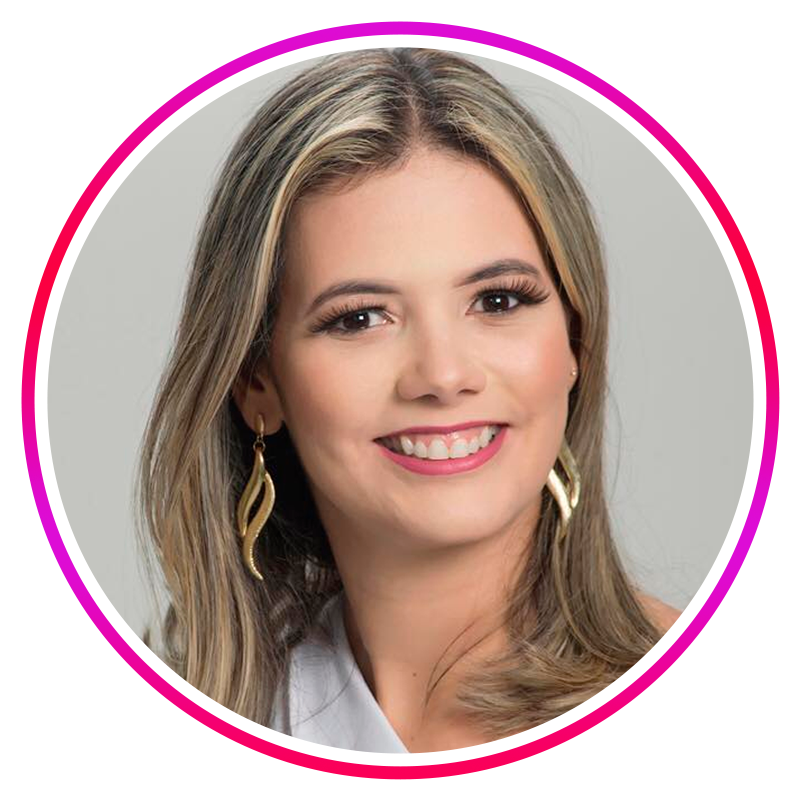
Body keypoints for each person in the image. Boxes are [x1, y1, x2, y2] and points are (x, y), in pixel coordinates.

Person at [71, 47, 756, 762]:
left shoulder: (740, 728)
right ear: (257, 384)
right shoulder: (185, 734)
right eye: (360, 317)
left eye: (498, 301)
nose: (443, 375)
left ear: (574, 340)